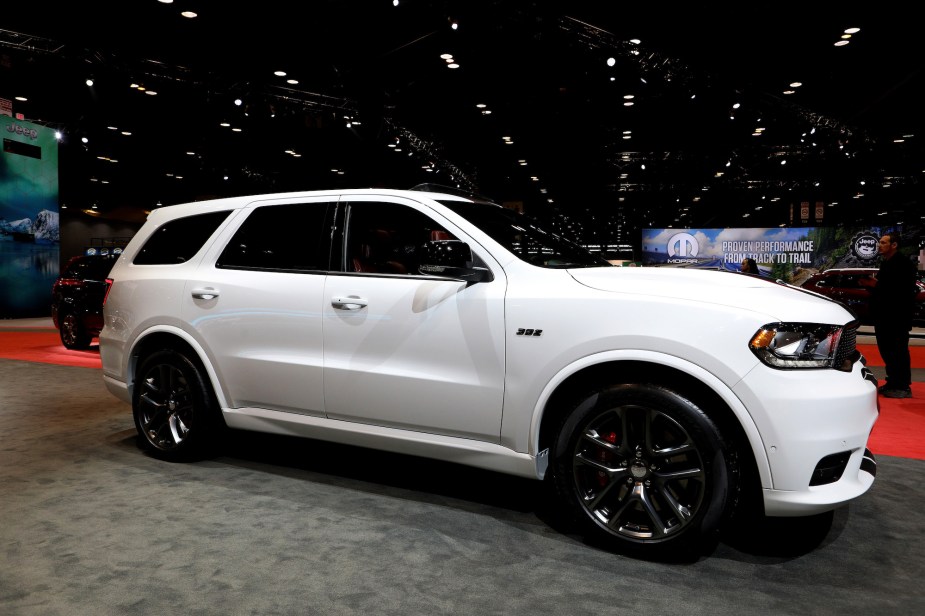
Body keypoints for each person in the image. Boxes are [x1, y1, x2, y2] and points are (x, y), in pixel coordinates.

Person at [863, 231, 918, 398]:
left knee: (897, 350)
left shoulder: (903, 263)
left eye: (883, 242)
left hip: (896, 316)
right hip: (884, 315)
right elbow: (883, 288)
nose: (879, 245)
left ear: (894, 245)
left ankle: (902, 386)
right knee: (887, 350)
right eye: (880, 242)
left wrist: (876, 285)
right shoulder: (886, 263)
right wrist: (870, 285)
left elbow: (901, 290)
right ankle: (893, 382)